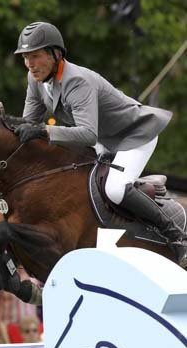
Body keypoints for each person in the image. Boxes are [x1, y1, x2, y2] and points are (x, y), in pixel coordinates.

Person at [14, 22, 187, 268]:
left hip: (135, 135)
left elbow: (86, 135)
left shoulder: (77, 81)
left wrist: (43, 130)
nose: (30, 64)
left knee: (115, 189)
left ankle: (177, 236)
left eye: (35, 56)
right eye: (25, 58)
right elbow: (28, 124)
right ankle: (138, 190)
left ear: (56, 54)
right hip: (107, 141)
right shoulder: (35, 80)